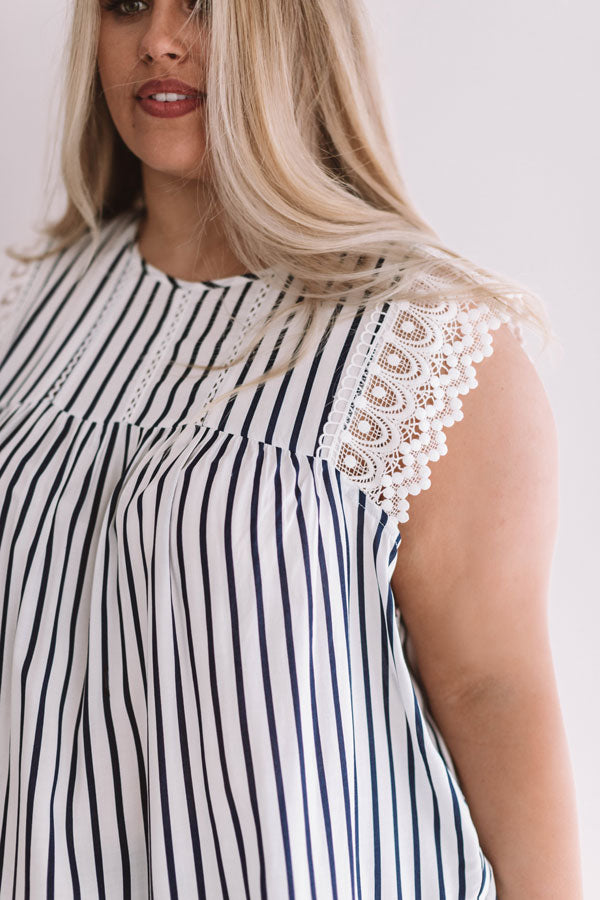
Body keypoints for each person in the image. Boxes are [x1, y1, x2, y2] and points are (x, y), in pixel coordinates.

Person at [0, 0, 583, 897]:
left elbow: (491, 693)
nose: (157, 38)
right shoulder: (26, 310)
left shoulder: (422, 345)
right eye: (124, 6)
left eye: (199, 6)